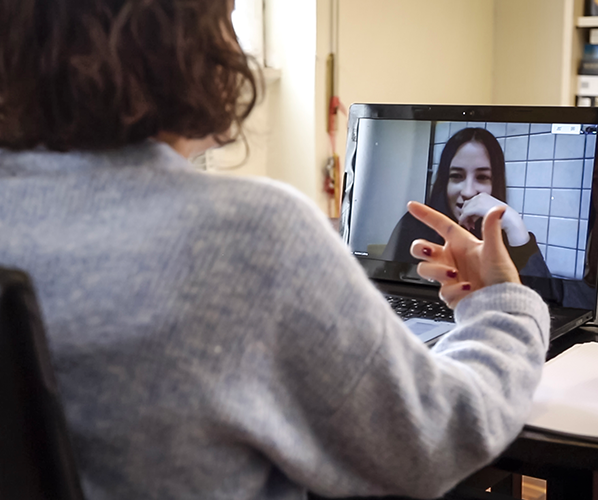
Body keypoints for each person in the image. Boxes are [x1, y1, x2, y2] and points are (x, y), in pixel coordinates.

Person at [0, 1, 550, 499]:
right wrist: (501, 304)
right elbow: (436, 439)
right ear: (185, 45)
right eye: (227, 18)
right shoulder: (248, 234)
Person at [383, 128, 552, 279]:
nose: (468, 192)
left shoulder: (508, 238)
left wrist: (516, 226)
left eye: (482, 177)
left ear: (496, 183)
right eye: (456, 176)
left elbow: (545, 305)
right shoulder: (414, 226)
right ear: (444, 182)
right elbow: (381, 285)